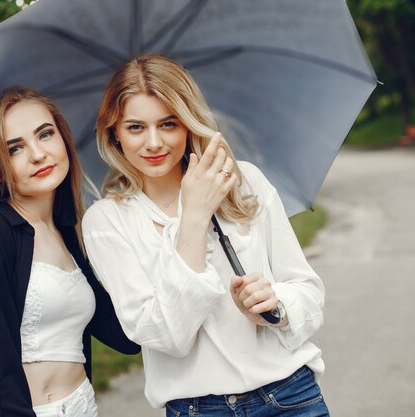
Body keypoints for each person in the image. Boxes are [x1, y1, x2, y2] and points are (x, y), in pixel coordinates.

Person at [82, 55, 329, 416]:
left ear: (187, 123)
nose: (153, 143)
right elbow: (166, 337)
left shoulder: (243, 182)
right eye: (136, 127)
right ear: (114, 133)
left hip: (289, 396)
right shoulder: (107, 221)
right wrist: (194, 217)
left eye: (168, 124)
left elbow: (308, 293)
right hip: (198, 408)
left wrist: (274, 304)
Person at [0, 86, 139, 417]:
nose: (38, 154)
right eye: (14, 149)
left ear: (64, 139)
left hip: (84, 406)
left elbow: (127, 337)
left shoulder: (70, 234)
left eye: (45, 134)